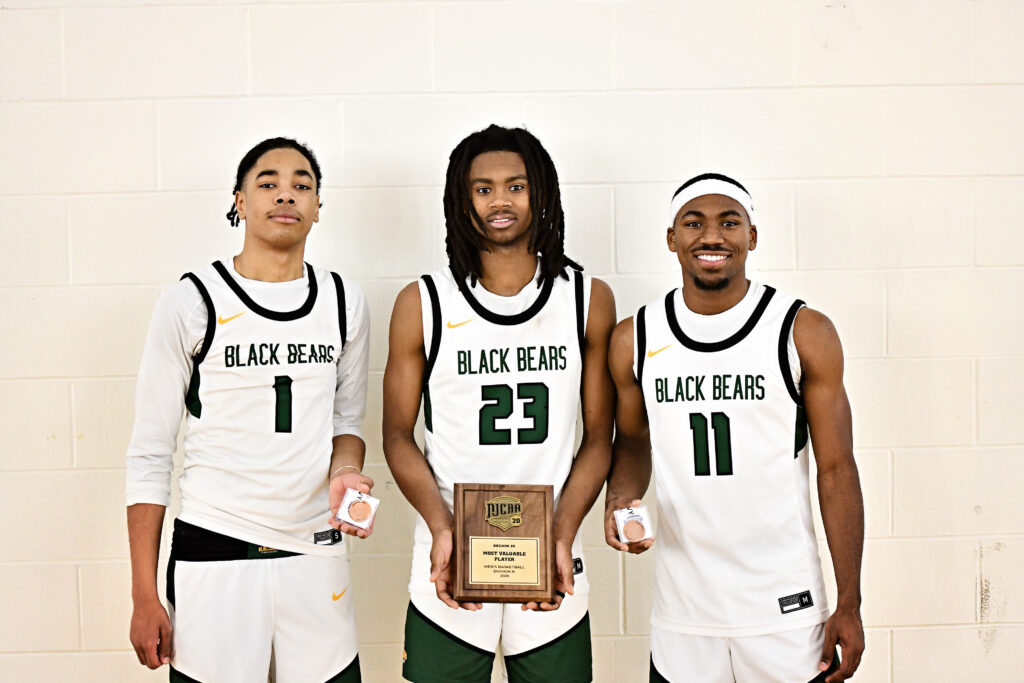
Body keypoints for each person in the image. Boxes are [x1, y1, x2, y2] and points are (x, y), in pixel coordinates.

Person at [126, 137, 372, 682]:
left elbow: (347, 425)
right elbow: (148, 455)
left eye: (301, 184)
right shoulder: (192, 300)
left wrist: (346, 472)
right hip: (215, 542)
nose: (286, 194)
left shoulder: (343, 301)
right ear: (238, 200)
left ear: (318, 208)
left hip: (314, 546)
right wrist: (145, 595)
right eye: (268, 183)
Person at [604, 173, 865, 683]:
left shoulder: (801, 330)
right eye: (694, 223)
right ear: (672, 239)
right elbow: (633, 443)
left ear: (751, 236)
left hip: (784, 605)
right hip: (684, 610)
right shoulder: (634, 337)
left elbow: (836, 470)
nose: (712, 236)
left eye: (729, 222)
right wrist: (621, 499)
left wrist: (850, 601)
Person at [383, 124, 615, 683]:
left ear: (542, 194)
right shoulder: (423, 302)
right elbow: (396, 435)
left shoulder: (586, 298)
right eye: (482, 189)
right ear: (461, 201)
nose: (499, 201)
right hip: (450, 559)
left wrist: (561, 532)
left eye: (516, 185)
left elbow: (598, 439)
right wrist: (441, 527)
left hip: (554, 562)